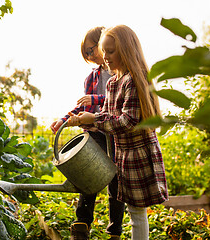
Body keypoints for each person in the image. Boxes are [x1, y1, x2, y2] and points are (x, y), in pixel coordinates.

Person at [66, 25, 169, 240]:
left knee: (137, 214)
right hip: (122, 154)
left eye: (110, 51)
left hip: (137, 154)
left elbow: (127, 121)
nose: (106, 57)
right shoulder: (113, 82)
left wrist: (94, 118)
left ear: (126, 50)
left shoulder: (132, 80)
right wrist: (80, 119)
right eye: (104, 51)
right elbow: (106, 115)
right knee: (134, 212)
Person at [50, 27, 125, 240]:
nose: (91, 57)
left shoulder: (121, 71)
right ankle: (82, 223)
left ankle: (115, 231)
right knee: (88, 173)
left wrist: (98, 100)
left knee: (116, 183)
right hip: (96, 132)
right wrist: (64, 120)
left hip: (117, 132)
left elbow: (120, 99)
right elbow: (84, 108)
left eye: (92, 50)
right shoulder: (91, 78)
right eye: (87, 54)